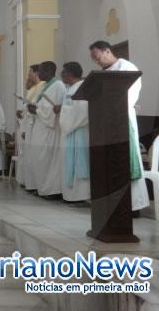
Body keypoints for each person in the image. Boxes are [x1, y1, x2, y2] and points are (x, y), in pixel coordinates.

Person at [89, 40, 149, 211]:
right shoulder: (105, 72)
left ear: (107, 51)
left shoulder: (126, 67)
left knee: (125, 161)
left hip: (121, 119)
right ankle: (115, 203)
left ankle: (133, 205)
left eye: (97, 57)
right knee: (112, 163)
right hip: (107, 122)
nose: (97, 61)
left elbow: (129, 93)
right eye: (94, 59)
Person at [27, 61, 66, 198]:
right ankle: (42, 188)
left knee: (48, 160)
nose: (39, 73)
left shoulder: (58, 86)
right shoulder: (46, 86)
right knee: (39, 159)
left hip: (50, 128)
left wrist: (36, 109)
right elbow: (43, 105)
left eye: (41, 71)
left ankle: (52, 190)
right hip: (41, 125)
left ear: (50, 71)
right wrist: (34, 109)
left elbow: (55, 110)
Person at [56, 62, 90, 203]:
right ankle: (70, 195)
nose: (61, 75)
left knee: (78, 163)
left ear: (69, 74)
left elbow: (83, 112)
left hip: (78, 134)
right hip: (70, 132)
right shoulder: (70, 88)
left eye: (63, 73)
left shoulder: (81, 88)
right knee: (69, 163)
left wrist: (61, 110)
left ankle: (80, 197)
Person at [16, 65, 45, 187]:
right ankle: (26, 181)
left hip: (34, 126)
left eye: (29, 74)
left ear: (36, 73)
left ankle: (33, 184)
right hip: (26, 123)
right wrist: (21, 113)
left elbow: (37, 108)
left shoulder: (42, 87)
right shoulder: (33, 88)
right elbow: (28, 107)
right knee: (25, 155)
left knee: (32, 156)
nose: (28, 76)